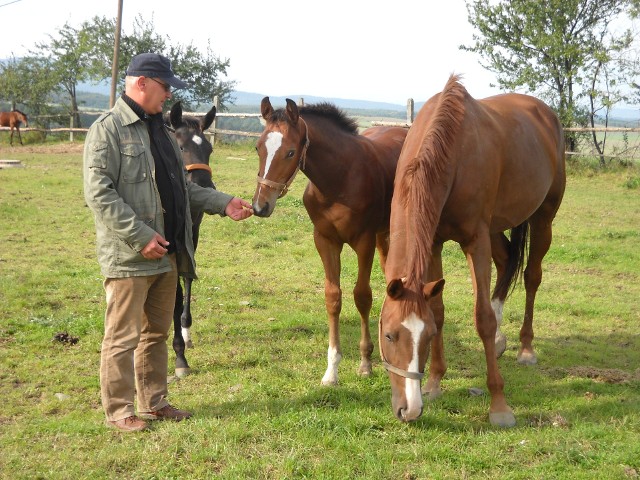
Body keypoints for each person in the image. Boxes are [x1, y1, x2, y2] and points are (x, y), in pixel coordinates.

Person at [83, 52, 253, 432]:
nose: (167, 96)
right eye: (164, 88)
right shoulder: (108, 129)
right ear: (141, 83)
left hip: (168, 253)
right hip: (130, 255)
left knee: (156, 333)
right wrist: (141, 237)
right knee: (123, 336)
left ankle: (154, 401)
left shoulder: (162, 131)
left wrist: (224, 203)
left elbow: (183, 190)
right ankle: (119, 410)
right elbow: (100, 194)